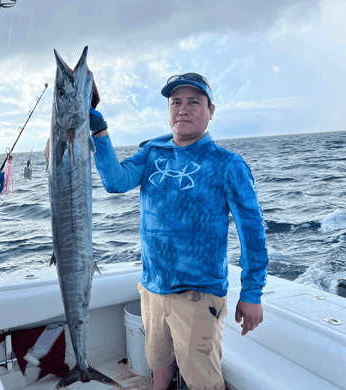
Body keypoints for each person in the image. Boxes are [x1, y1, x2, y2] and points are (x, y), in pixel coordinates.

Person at [90, 73, 269, 390]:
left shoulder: (228, 164)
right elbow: (115, 182)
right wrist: (100, 133)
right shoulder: (152, 153)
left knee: (202, 380)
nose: (183, 109)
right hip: (152, 288)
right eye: (176, 102)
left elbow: (252, 233)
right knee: (157, 363)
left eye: (193, 102)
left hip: (198, 296)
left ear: (210, 110)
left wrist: (252, 293)